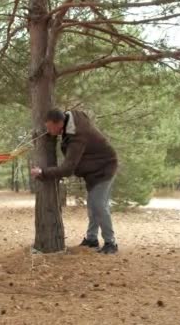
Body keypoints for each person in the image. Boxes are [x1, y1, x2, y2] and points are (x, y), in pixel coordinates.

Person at [31, 109, 119, 254]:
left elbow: (67, 169)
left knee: (98, 205)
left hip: (105, 168)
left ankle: (111, 243)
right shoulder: (70, 118)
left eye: (49, 127)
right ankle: (92, 239)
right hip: (93, 170)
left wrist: (43, 172)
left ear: (59, 123)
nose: (47, 130)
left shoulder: (78, 137)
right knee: (92, 205)